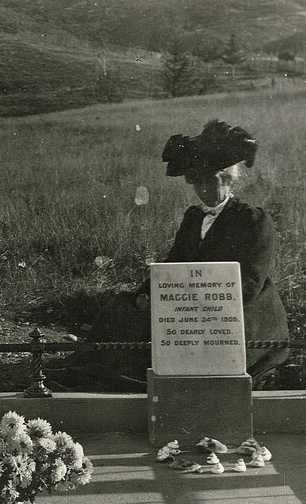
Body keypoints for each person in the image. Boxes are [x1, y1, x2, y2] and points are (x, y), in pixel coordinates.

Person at [65, 119, 289, 385]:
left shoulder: (252, 221)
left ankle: (134, 375)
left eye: (211, 182)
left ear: (228, 180)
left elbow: (250, 282)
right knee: (121, 310)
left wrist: (191, 303)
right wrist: (147, 294)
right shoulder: (194, 218)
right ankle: (94, 366)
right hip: (190, 303)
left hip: (238, 310)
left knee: (187, 334)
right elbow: (174, 263)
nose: (204, 190)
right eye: (197, 183)